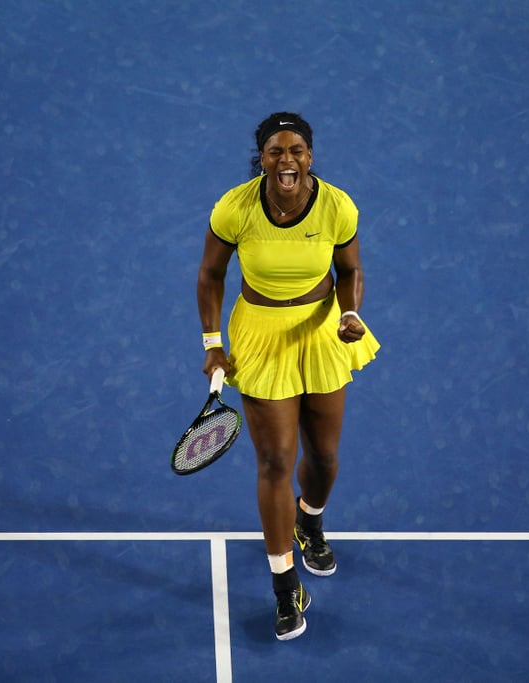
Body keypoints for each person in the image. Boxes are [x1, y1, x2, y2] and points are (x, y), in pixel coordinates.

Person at [196, 112, 380, 641]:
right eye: (276, 152)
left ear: (310, 155)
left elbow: (350, 270)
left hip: (323, 330)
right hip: (261, 333)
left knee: (322, 458)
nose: (287, 161)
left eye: (296, 150)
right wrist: (213, 345)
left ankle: (310, 518)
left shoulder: (337, 206)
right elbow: (210, 275)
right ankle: (285, 587)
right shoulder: (236, 207)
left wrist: (351, 313)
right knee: (276, 461)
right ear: (262, 159)